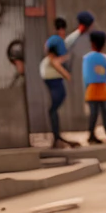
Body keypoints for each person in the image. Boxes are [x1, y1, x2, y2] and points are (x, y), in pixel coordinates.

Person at [41, 16, 74, 149]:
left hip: (50, 79)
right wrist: (67, 74)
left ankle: (57, 136)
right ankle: (57, 137)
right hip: (54, 79)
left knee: (54, 107)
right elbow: (55, 61)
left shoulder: (50, 40)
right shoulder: (59, 41)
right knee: (54, 108)